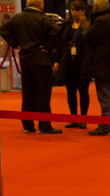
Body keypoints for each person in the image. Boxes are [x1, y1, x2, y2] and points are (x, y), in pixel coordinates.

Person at [0, 0, 63, 134]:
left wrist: (15, 44)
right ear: (41, 5)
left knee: (28, 95)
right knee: (43, 95)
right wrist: (47, 47)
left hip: (25, 59)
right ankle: (44, 125)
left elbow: (3, 29)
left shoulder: (18, 18)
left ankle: (27, 125)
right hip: (41, 60)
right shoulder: (43, 18)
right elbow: (56, 31)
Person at [81, 0, 110, 136]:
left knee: (104, 95)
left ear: (96, 7)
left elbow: (88, 37)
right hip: (109, 63)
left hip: (102, 63)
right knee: (109, 94)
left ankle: (106, 125)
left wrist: (85, 27)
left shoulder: (102, 21)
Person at [54, 0, 90, 129]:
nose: (74, 12)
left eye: (77, 10)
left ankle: (83, 119)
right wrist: (57, 61)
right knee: (71, 92)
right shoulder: (66, 24)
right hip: (68, 63)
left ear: (83, 11)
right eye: (72, 10)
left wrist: (86, 28)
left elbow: (90, 43)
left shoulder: (88, 25)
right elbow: (60, 44)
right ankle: (73, 118)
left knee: (83, 92)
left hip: (83, 64)